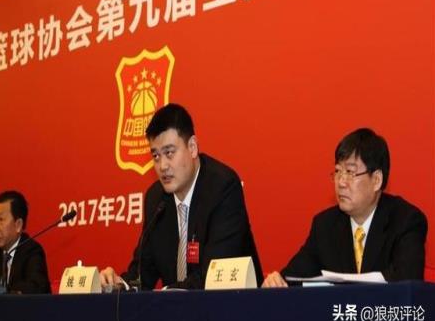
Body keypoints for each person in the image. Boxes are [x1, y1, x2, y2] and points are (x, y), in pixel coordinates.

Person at [100, 103, 263, 289]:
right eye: (156, 156)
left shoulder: (222, 187)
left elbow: (213, 276)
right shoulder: (156, 199)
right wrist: (119, 284)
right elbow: (141, 273)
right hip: (178, 306)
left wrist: (167, 294)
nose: (162, 166)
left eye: (169, 153)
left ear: (192, 147)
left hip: (236, 304)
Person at [263, 128, 428, 287]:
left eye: (350, 172)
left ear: (376, 180)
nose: (341, 182)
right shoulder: (325, 226)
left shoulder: (406, 221)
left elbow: (407, 285)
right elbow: (293, 278)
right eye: (337, 172)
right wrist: (277, 281)